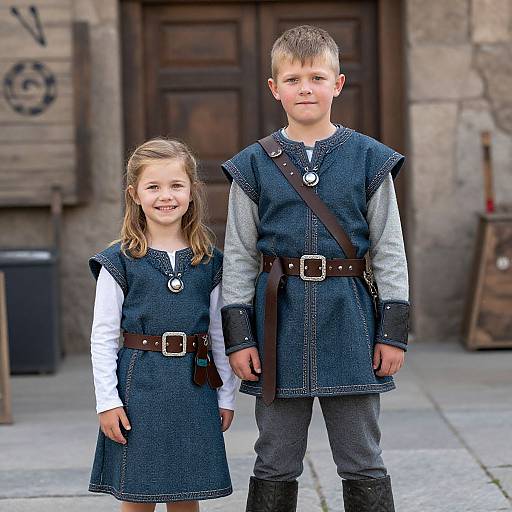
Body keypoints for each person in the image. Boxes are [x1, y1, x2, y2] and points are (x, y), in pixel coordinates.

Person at [220, 25, 409, 511]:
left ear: (338, 84)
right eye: (294, 78)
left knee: (362, 456)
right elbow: (239, 256)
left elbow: (388, 248)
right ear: (274, 88)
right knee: (275, 459)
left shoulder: (369, 158)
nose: (306, 88)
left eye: (317, 77)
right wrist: (240, 338)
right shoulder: (252, 165)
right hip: (276, 325)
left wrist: (393, 330)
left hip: (350, 320)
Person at [88, 138, 237, 511]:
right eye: (153, 186)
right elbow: (103, 337)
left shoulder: (210, 261)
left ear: (192, 191)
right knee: (137, 495)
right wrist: (107, 402)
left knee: (187, 495)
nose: (165, 196)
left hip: (194, 386)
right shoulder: (119, 261)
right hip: (139, 388)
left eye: (176, 185)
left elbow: (220, 334)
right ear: (134, 194)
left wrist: (226, 396)